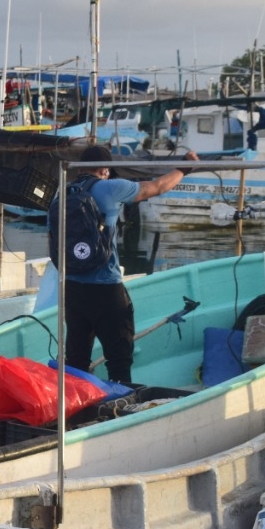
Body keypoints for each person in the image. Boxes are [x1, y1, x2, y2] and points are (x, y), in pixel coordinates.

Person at [61, 144, 198, 383]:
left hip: (72, 289)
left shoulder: (61, 192)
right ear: (104, 169)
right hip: (106, 289)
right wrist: (183, 169)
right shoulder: (110, 188)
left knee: (76, 361)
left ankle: (75, 408)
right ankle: (119, 407)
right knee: (119, 359)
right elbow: (157, 187)